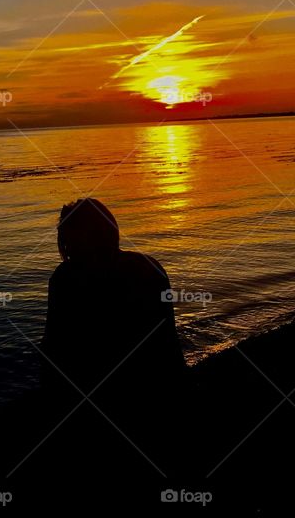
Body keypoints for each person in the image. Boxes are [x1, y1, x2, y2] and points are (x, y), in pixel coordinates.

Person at [38, 198, 186, 485]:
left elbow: (54, 348)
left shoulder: (67, 279)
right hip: (161, 393)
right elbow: (167, 342)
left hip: (121, 400)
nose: (67, 245)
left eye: (69, 235)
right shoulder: (148, 267)